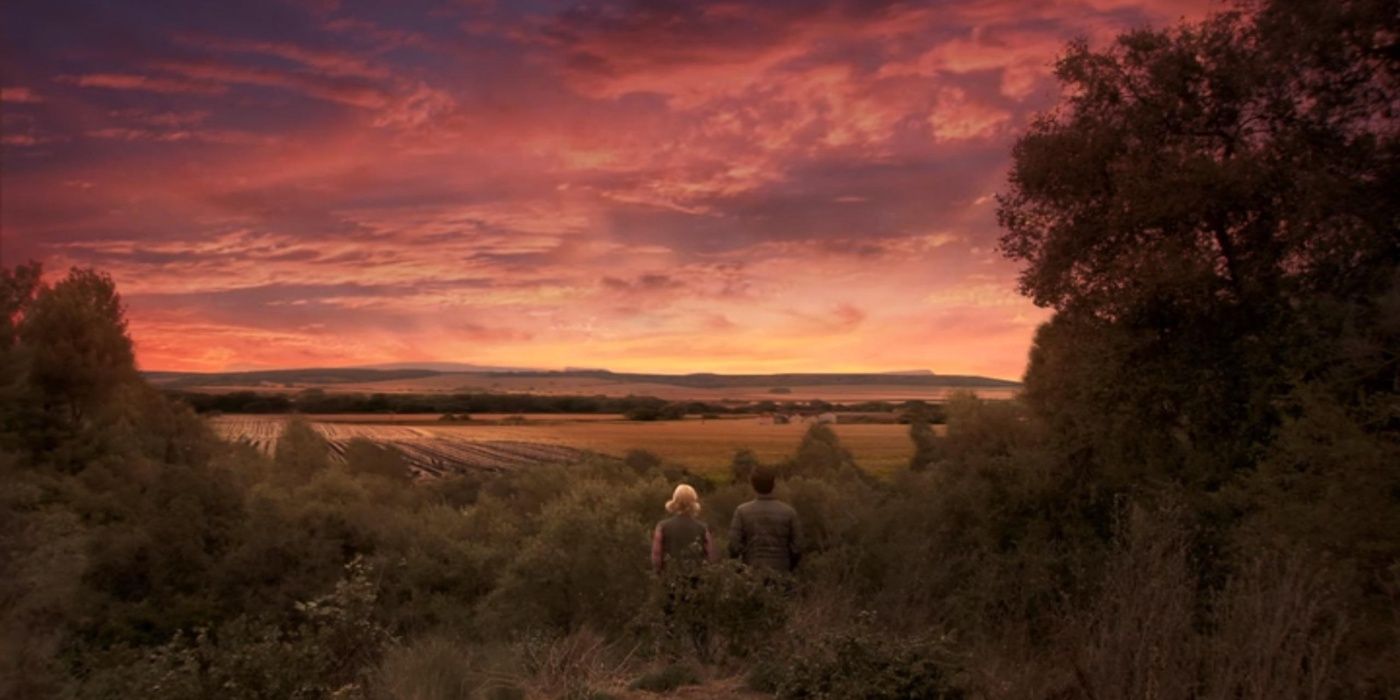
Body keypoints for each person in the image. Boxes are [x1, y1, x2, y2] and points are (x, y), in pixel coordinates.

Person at [728, 467, 803, 573]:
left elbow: (733, 545)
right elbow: (797, 547)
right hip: (781, 571)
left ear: (753, 485)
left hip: (752, 570)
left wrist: (740, 568)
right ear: (773, 484)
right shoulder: (789, 512)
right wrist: (789, 566)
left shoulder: (741, 511)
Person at [652, 484, 714, 574]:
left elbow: (656, 555)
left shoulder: (662, 526)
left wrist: (658, 574)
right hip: (696, 579)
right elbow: (710, 556)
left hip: (670, 578)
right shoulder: (703, 528)